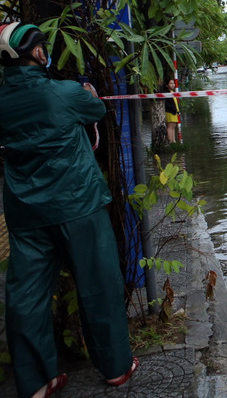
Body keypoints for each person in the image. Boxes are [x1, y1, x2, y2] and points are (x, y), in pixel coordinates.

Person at [0, 22, 138, 398]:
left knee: (26, 296)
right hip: (78, 204)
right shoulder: (63, 93)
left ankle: (36, 382)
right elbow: (95, 109)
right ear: (36, 52)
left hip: (26, 212)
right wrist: (88, 92)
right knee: (99, 284)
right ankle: (116, 367)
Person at [164, 77, 180, 143]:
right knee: (170, 126)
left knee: (173, 127)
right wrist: (172, 108)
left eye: (173, 83)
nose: (172, 85)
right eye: (170, 83)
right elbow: (166, 103)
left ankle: (174, 141)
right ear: (167, 85)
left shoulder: (173, 93)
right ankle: (170, 141)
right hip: (169, 112)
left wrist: (177, 111)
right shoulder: (166, 93)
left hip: (175, 112)